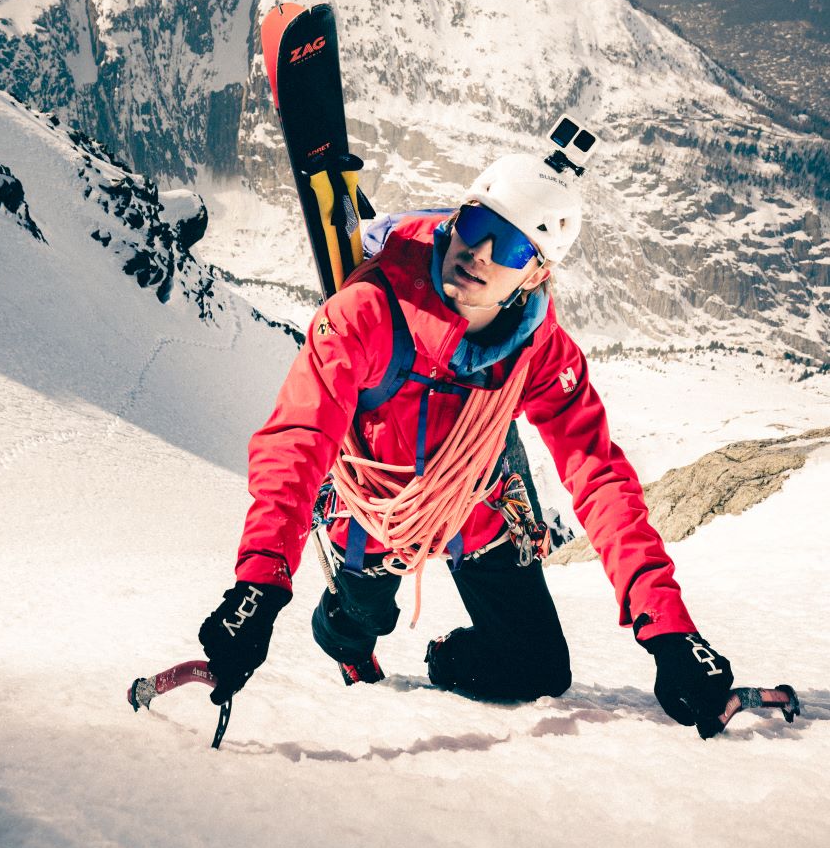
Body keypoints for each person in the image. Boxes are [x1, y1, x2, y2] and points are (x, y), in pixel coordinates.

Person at [198, 137, 734, 734]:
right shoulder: (368, 308)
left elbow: (598, 474)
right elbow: (298, 438)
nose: (476, 252)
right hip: (376, 511)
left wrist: (669, 631)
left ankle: (444, 655)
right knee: (357, 625)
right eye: (473, 224)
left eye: (505, 244)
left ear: (537, 272)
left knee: (537, 671)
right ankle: (344, 630)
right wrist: (260, 582)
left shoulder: (538, 348)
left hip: (482, 503)